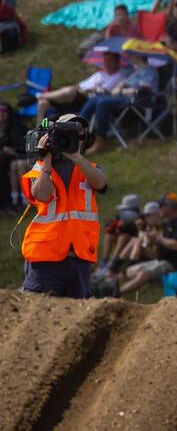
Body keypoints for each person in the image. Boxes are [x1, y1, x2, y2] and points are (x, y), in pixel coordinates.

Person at [18, 113, 106, 298]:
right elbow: (41, 194)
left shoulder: (88, 167)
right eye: (66, 133)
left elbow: (101, 184)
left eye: (80, 136)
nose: (76, 139)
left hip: (78, 258)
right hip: (45, 257)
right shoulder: (39, 167)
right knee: (39, 317)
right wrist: (47, 160)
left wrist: (76, 157)